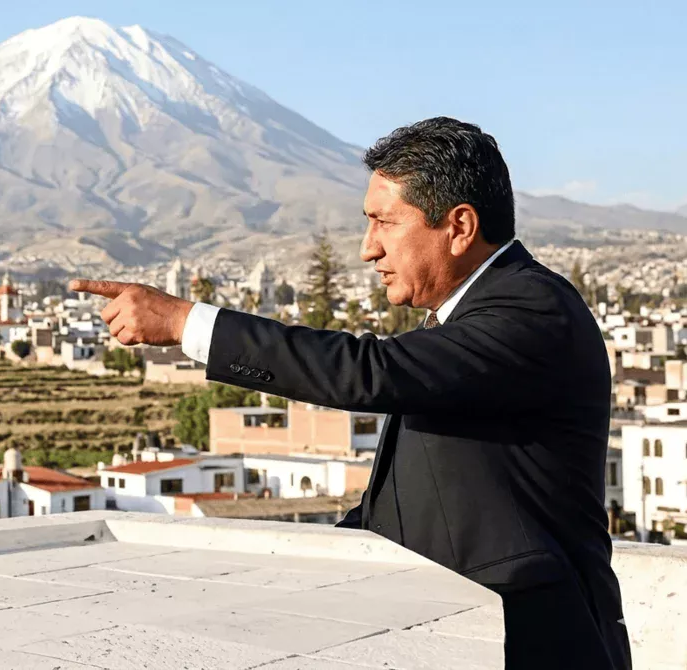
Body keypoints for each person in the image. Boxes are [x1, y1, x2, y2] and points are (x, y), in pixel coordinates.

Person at [70, 117, 631, 669]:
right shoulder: (464, 319)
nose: (368, 249)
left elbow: (368, 372)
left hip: (537, 642)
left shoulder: (531, 309)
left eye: (383, 222)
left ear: (458, 227)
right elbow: (420, 499)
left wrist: (186, 323)